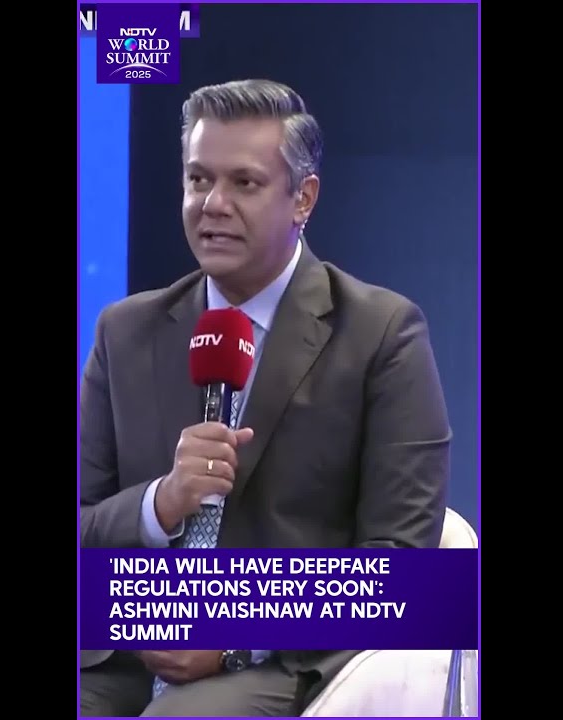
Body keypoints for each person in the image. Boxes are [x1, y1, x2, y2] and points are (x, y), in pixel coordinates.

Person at [79, 79, 451, 717]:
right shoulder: (126, 330)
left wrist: (233, 638)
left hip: (281, 662)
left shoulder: (382, 333)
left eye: (244, 183)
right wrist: (157, 504)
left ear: (303, 198)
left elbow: (407, 572)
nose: (213, 204)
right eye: (198, 180)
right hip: (123, 656)